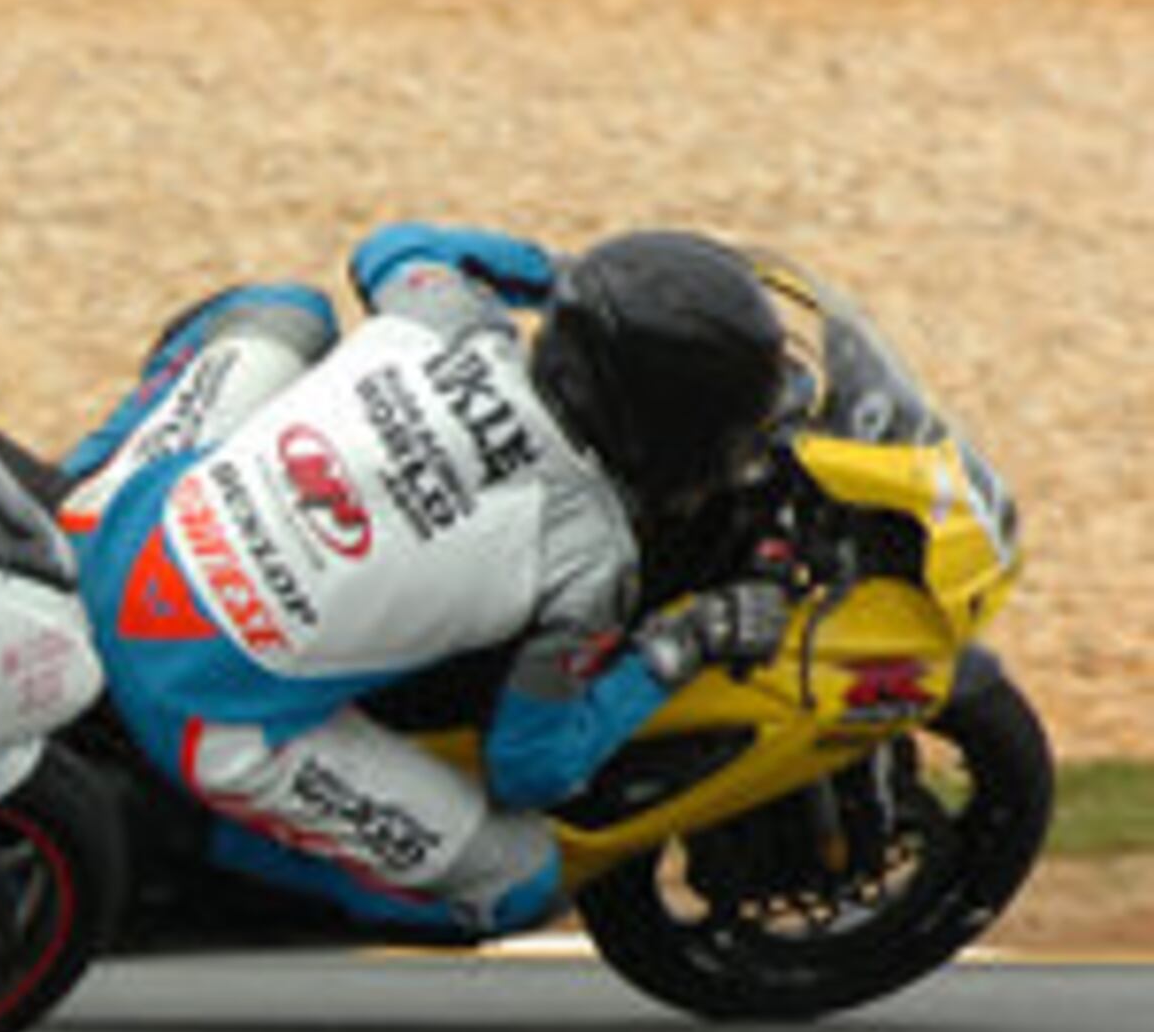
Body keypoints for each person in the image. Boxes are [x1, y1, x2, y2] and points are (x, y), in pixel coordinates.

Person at [55, 222, 799, 937]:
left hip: (117, 531)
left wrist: (563, 278)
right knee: (522, 881)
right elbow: (531, 768)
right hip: (202, 705)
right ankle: (169, 837)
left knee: (284, 310)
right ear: (667, 426)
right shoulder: (591, 557)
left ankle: (65, 489)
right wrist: (680, 647)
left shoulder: (447, 317)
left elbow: (395, 246)